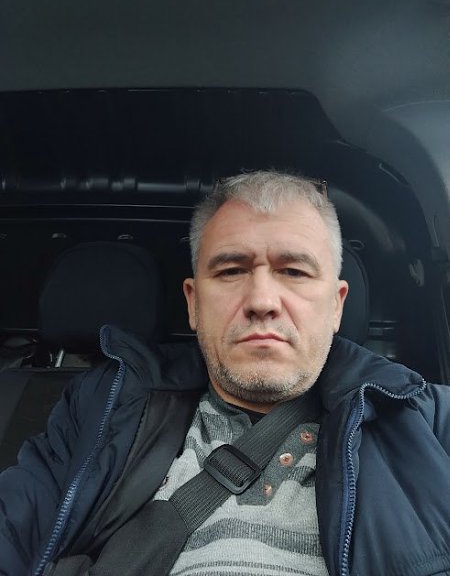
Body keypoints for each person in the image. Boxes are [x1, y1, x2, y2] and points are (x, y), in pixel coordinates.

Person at [0, 171, 449, 576]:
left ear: (336, 305)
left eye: (294, 271)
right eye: (232, 270)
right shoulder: (99, 409)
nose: (262, 301)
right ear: (194, 303)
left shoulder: (426, 422)